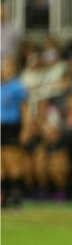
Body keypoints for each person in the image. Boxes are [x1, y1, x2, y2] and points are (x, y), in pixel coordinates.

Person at [1, 58, 31, 207]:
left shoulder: (17, 88)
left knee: (13, 161)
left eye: (7, 66)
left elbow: (25, 110)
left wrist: (25, 129)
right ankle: (4, 196)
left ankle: (17, 195)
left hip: (12, 127)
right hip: (1, 127)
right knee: (2, 164)